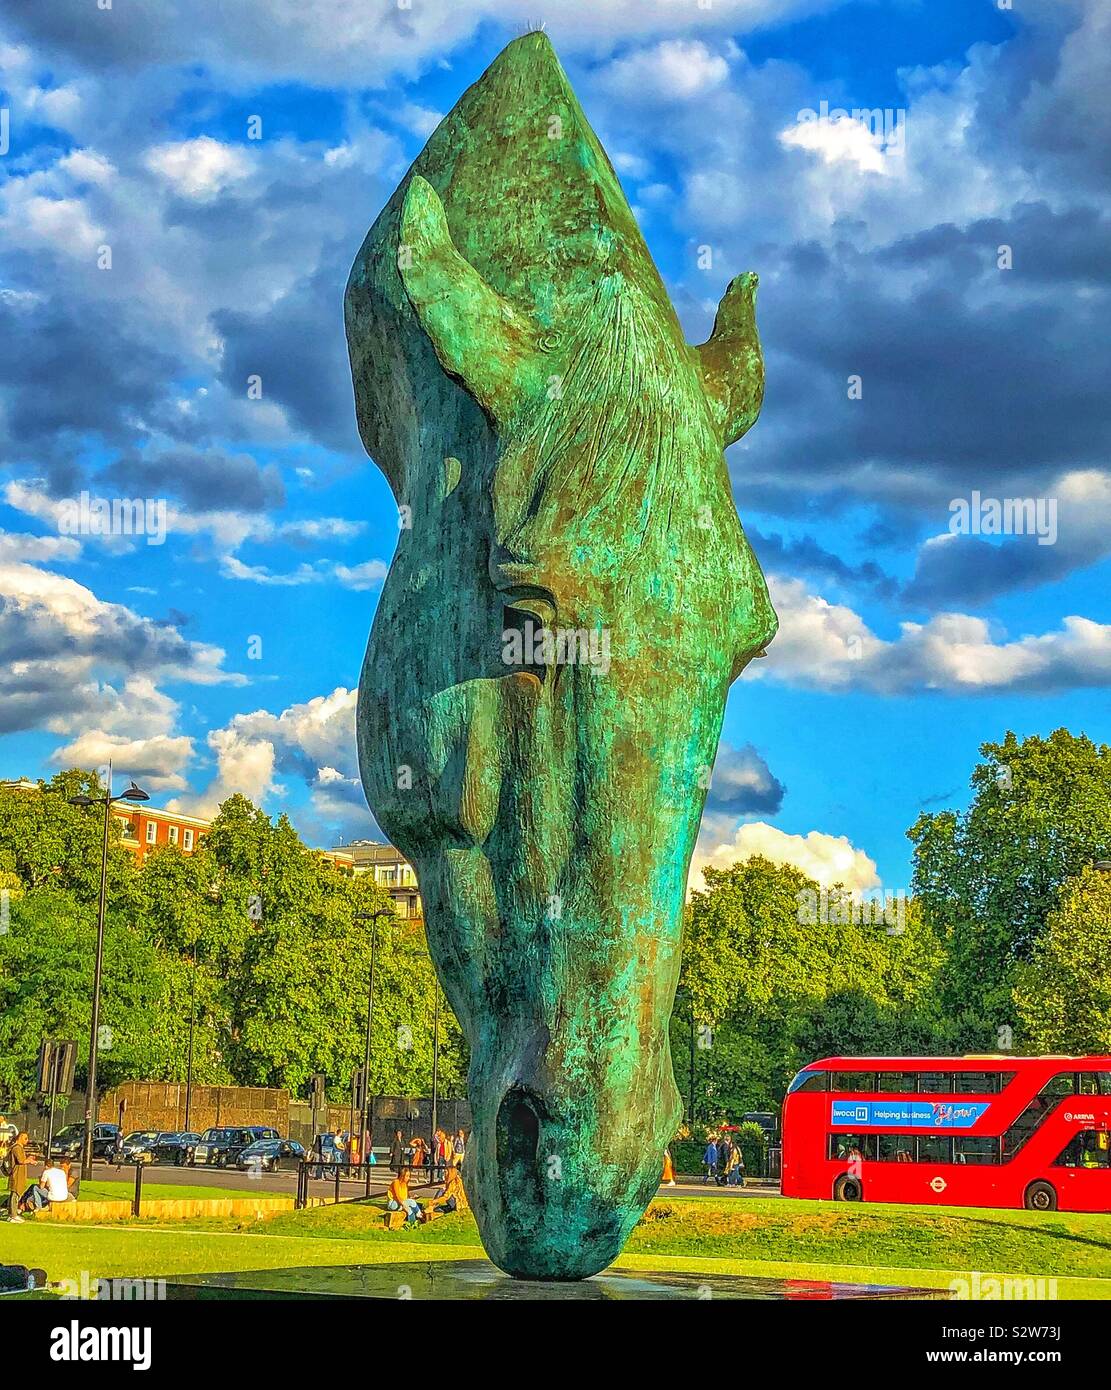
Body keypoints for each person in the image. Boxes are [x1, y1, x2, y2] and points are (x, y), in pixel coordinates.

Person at [5, 1131, 28, 1222]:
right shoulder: (17, 1148)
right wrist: (29, 1160)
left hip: (19, 1174)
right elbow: (21, 1160)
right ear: (20, 1137)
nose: (27, 1140)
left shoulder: (19, 1148)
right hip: (16, 1174)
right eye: (25, 1138)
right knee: (15, 1193)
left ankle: (12, 1213)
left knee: (16, 1194)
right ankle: (13, 1215)